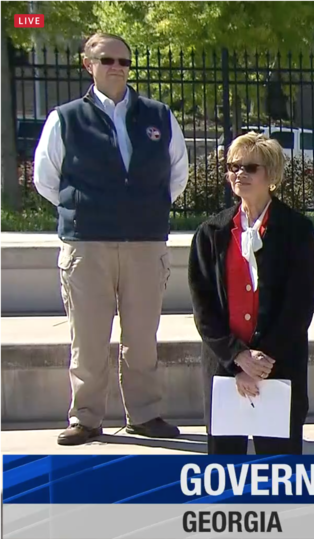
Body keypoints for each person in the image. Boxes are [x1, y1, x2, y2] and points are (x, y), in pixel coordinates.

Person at [33, 32, 188, 445]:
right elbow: (46, 179)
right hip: (87, 244)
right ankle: (85, 418)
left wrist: (141, 211)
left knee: (141, 338)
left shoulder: (157, 115)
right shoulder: (65, 118)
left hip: (144, 242)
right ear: (89, 65)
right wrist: (87, 210)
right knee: (87, 337)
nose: (116, 67)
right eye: (107, 60)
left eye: (123, 61)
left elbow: (177, 175)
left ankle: (145, 414)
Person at [188, 132, 314, 455]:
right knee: (225, 477)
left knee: (279, 477)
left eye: (250, 167)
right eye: (233, 167)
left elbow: (298, 307)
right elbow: (203, 308)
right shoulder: (211, 233)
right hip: (225, 371)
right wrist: (237, 358)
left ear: (270, 175)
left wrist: (261, 361)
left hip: (279, 368)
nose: (239, 174)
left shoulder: (296, 231)